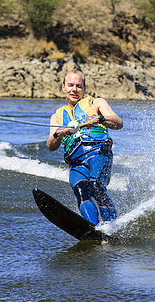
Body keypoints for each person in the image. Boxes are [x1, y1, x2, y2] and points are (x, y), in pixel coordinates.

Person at [47, 69, 123, 225]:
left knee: (96, 186)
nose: (74, 89)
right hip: (76, 164)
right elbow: (50, 146)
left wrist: (100, 118)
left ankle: (113, 226)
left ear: (84, 88)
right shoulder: (57, 116)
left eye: (78, 86)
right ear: (63, 87)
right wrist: (59, 133)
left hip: (99, 153)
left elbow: (118, 122)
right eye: (70, 85)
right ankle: (93, 229)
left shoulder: (96, 103)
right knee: (81, 191)